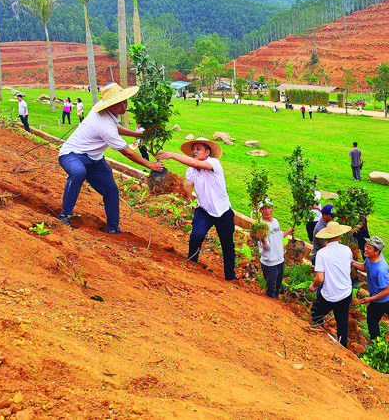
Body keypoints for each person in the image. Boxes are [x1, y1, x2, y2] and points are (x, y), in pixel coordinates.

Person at [57, 83, 163, 233]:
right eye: (119, 103)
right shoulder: (104, 125)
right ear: (110, 104)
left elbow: (115, 127)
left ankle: (113, 229)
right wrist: (150, 165)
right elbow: (127, 152)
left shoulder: (105, 110)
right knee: (78, 172)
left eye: (125, 101)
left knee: (111, 190)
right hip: (72, 155)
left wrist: (137, 134)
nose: (124, 106)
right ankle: (64, 215)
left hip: (95, 160)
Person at [157, 137, 237, 281]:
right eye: (193, 149)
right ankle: (192, 265)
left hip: (223, 211)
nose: (194, 151)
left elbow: (195, 162)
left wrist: (172, 155)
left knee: (227, 245)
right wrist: (173, 185)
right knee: (196, 236)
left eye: (198, 149)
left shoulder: (214, 163)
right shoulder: (191, 170)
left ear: (207, 152)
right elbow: (188, 191)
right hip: (204, 210)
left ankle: (230, 277)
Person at [352, 235, 389, 344]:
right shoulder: (371, 257)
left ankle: (376, 346)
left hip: (383, 299)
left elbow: (387, 290)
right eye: (366, 245)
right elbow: (365, 267)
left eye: (369, 248)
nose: (365, 248)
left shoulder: (381, 269)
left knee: (372, 320)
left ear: (377, 252)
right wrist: (353, 263)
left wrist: (370, 299)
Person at [309, 221, 354, 347]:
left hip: (329, 294)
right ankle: (342, 346)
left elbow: (319, 279)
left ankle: (321, 337)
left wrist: (312, 287)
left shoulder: (322, 253)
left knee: (316, 313)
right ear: (339, 236)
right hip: (345, 293)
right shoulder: (347, 250)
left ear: (326, 237)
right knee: (342, 321)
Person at [256, 199, 294, 299]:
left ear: (272, 208)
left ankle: (276, 304)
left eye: (269, 207)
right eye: (263, 208)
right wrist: (263, 239)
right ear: (260, 211)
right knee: (271, 290)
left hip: (280, 260)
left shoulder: (275, 221)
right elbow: (266, 247)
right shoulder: (261, 226)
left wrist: (287, 233)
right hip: (270, 263)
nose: (267, 210)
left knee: (277, 287)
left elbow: (277, 236)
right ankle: (270, 310)